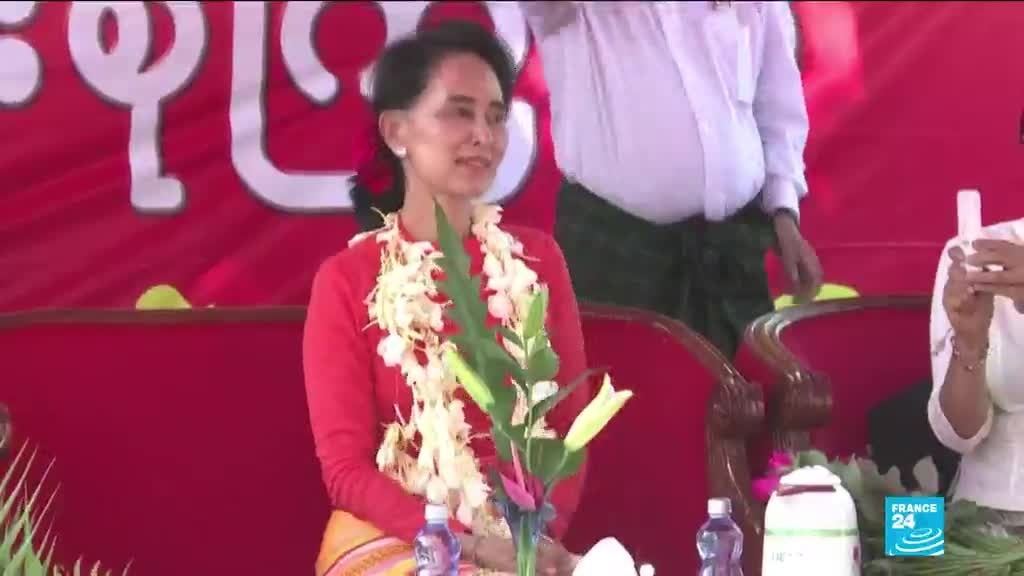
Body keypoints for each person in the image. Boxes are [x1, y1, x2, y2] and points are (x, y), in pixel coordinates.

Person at [304, 21, 588, 576]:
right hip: (390, 541)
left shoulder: (538, 261)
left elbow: (569, 434)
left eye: (496, 116)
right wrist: (469, 547)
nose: (483, 134)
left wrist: (531, 542)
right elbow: (346, 471)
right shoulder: (346, 280)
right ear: (396, 132)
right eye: (459, 112)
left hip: (519, 544)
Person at [519, 2, 823, 356]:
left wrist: (783, 211)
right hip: (619, 254)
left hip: (730, 257)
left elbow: (776, 102)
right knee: (627, 388)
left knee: (746, 388)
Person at [928, 218, 1024, 528]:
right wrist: (970, 342)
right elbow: (960, 435)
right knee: (892, 542)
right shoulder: (979, 251)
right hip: (982, 518)